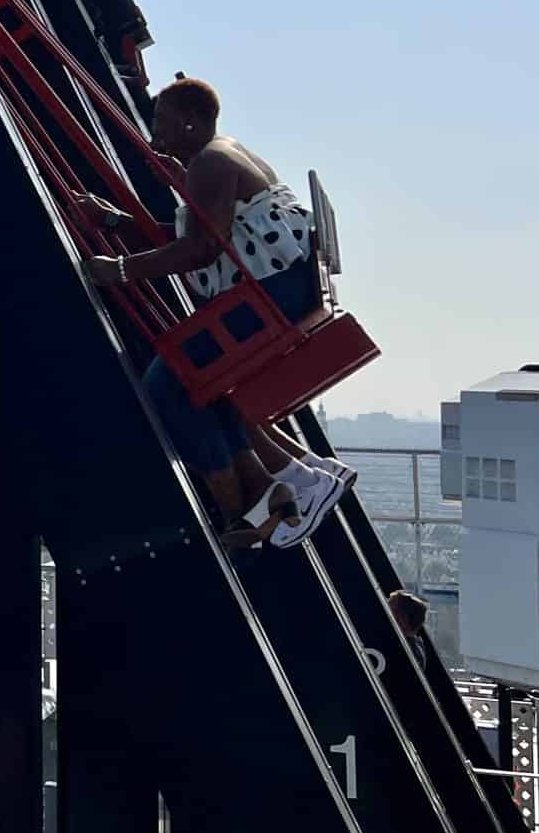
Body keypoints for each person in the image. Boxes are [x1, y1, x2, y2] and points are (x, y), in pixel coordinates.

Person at [83, 77, 348, 547]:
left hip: (269, 295)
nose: (154, 129)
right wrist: (116, 223)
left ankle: (248, 505)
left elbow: (201, 250)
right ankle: (290, 484)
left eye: (162, 119)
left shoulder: (207, 164)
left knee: (169, 385)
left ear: (190, 122)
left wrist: (120, 271)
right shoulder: (222, 155)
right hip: (283, 289)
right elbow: (200, 236)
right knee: (209, 391)